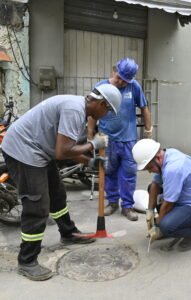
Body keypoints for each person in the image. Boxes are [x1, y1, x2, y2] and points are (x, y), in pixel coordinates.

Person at [1, 84, 122, 281]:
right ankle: (27, 261)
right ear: (100, 103)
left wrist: (90, 161)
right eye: (108, 110)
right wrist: (93, 145)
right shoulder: (74, 110)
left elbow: (68, 148)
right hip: (23, 151)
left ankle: (68, 232)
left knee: (57, 194)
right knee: (37, 206)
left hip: (40, 150)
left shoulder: (78, 108)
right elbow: (62, 152)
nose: (106, 114)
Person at [88, 57, 152, 221]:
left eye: (125, 81)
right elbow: (92, 113)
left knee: (129, 174)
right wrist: (90, 136)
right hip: (106, 139)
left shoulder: (134, 86)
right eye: (119, 78)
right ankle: (112, 202)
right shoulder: (101, 87)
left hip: (128, 140)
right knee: (109, 172)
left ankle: (127, 206)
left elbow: (144, 108)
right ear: (114, 71)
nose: (121, 83)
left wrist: (148, 130)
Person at [132, 139, 191, 252]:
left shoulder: (173, 169)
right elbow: (155, 185)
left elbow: (168, 204)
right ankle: (172, 226)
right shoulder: (166, 154)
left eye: (149, 168)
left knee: (166, 225)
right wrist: (150, 213)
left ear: (158, 158)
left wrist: (158, 227)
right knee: (151, 188)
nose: (150, 172)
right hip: (185, 199)